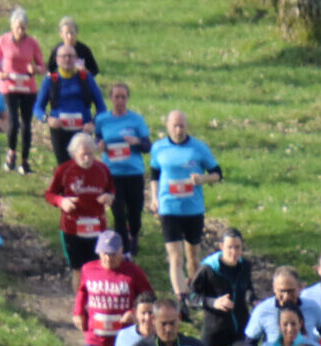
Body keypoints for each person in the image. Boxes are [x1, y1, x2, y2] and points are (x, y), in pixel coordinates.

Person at [146, 108, 219, 301]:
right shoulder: (158, 148)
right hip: (169, 208)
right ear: (168, 127)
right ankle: (182, 298)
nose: (178, 130)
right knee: (175, 257)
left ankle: (195, 290)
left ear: (187, 126)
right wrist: (154, 198)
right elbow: (154, 174)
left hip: (193, 209)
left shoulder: (199, 148)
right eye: (175, 126)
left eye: (181, 126)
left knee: (192, 256)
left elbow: (218, 174)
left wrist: (202, 179)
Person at [189, 228, 254, 346]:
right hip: (214, 330)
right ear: (221, 247)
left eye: (238, 247)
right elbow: (192, 297)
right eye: (230, 247)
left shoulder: (245, 266)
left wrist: (253, 300)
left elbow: (248, 289)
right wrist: (214, 302)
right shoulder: (209, 268)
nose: (234, 252)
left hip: (240, 329)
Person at [43, 129, 111, 283]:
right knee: (78, 270)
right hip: (72, 228)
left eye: (90, 154)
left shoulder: (103, 169)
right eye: (83, 155)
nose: (87, 158)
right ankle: (79, 298)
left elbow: (111, 190)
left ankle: (95, 298)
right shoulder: (64, 170)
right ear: (74, 154)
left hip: (97, 227)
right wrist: (62, 201)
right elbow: (49, 194)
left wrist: (109, 197)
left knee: (97, 267)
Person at [90, 80, 146, 256]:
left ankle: (134, 234)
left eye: (123, 97)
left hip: (133, 172)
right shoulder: (102, 119)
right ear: (111, 99)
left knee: (135, 213)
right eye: (116, 97)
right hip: (112, 173)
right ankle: (125, 249)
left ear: (127, 99)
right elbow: (96, 138)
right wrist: (98, 143)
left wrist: (136, 141)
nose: (120, 101)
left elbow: (148, 146)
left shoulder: (136, 120)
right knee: (118, 213)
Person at [30, 40, 99, 165]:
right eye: (63, 56)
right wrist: (47, 119)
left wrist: (93, 123)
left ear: (76, 59)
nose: (67, 59)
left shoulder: (86, 78)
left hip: (83, 129)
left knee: (82, 165)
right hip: (59, 130)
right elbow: (37, 108)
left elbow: (102, 108)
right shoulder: (50, 80)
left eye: (71, 56)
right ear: (57, 60)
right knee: (64, 167)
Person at [0, 5, 34, 173]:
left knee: (26, 124)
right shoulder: (3, 41)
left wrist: (35, 68)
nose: (20, 30)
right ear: (12, 26)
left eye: (23, 27)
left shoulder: (32, 43)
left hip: (27, 87)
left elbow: (42, 65)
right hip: (8, 86)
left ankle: (25, 161)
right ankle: (11, 153)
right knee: (13, 121)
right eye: (17, 27)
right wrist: (0, 74)